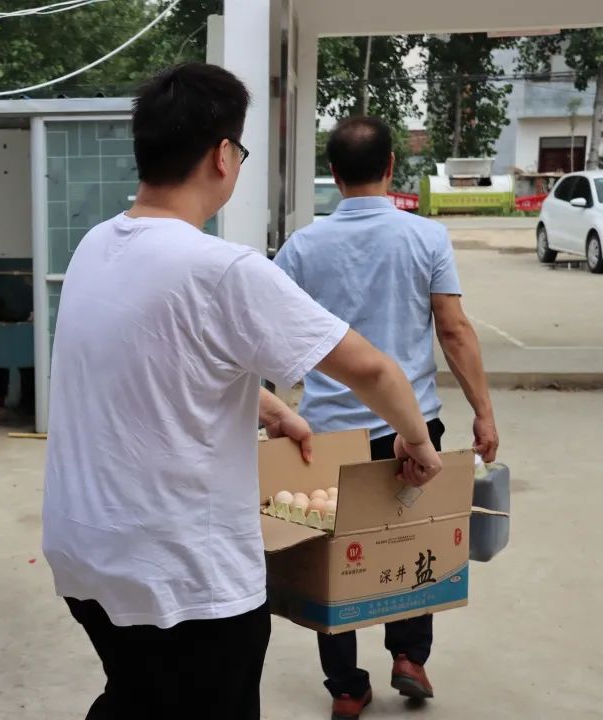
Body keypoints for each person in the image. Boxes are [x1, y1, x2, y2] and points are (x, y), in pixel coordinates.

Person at [41, 63, 444, 720]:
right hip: (183, 579)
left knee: (137, 695)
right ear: (223, 156)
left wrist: (268, 405)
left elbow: (157, 357)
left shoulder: (96, 246)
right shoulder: (221, 268)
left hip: (87, 554)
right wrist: (418, 440)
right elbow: (373, 371)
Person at [274, 115, 500, 720]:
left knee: (333, 553)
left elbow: (272, 334)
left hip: (329, 433)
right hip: (413, 429)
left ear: (334, 173)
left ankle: (347, 687)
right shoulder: (425, 237)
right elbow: (453, 329)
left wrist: (272, 404)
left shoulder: (302, 247)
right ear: (391, 166)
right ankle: (409, 657)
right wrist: (483, 412)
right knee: (414, 537)